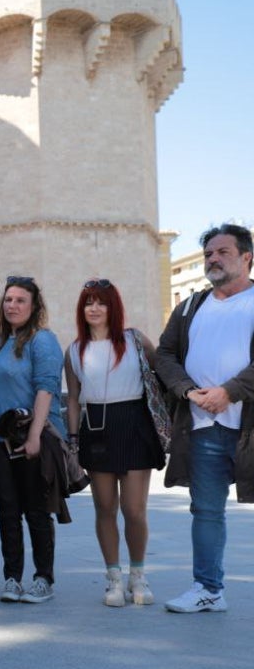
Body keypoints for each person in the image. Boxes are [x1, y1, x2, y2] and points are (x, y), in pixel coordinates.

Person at [155, 224, 254, 614]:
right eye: (208, 254)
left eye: (222, 252)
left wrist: (229, 391)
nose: (213, 259)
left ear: (246, 257)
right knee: (207, 511)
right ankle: (208, 589)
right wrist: (187, 390)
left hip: (247, 425)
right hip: (202, 426)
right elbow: (164, 355)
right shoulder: (190, 307)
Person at [64, 280, 165, 607]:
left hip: (135, 423)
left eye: (101, 303)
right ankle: (113, 579)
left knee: (134, 510)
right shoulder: (74, 350)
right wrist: (74, 442)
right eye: (88, 303)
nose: (94, 308)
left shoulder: (135, 340)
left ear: (113, 307)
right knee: (104, 508)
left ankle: (139, 575)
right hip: (95, 428)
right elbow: (75, 399)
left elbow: (162, 373)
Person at [0, 276, 67, 604]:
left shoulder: (41, 340)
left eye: (20, 300)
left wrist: (34, 437)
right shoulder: (4, 342)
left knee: (35, 510)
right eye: (8, 300)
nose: (12, 306)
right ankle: (12, 578)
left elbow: (46, 387)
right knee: (7, 512)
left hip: (28, 440)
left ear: (33, 307)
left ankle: (43, 578)